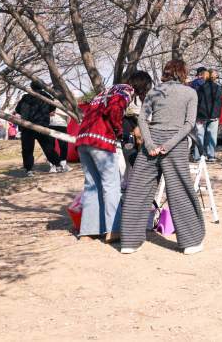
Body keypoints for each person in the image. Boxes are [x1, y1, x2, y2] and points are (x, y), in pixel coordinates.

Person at [119, 59, 206, 255]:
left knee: (137, 190)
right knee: (179, 190)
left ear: (165, 72)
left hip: (152, 140)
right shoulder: (190, 92)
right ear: (183, 73)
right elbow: (189, 124)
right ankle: (190, 242)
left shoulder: (154, 91)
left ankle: (129, 242)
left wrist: (149, 144)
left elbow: (142, 118)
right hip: (175, 143)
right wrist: (168, 145)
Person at [76, 71, 151, 242]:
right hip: (101, 140)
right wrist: (119, 131)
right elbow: (115, 109)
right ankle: (113, 229)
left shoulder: (108, 90)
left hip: (83, 139)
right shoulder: (125, 91)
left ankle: (89, 230)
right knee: (111, 185)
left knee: (92, 185)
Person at [15, 82, 68, 175]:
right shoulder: (46, 96)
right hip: (41, 125)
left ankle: (28, 170)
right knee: (48, 147)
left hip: (26, 126)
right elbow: (52, 107)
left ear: (31, 87)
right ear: (42, 87)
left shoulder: (25, 97)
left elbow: (17, 109)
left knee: (27, 149)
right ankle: (58, 165)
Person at [191, 68, 222, 162]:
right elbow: (219, 102)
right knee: (212, 136)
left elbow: (197, 101)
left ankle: (198, 156)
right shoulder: (218, 88)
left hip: (201, 114)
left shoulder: (201, 88)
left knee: (199, 136)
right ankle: (211, 155)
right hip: (214, 115)